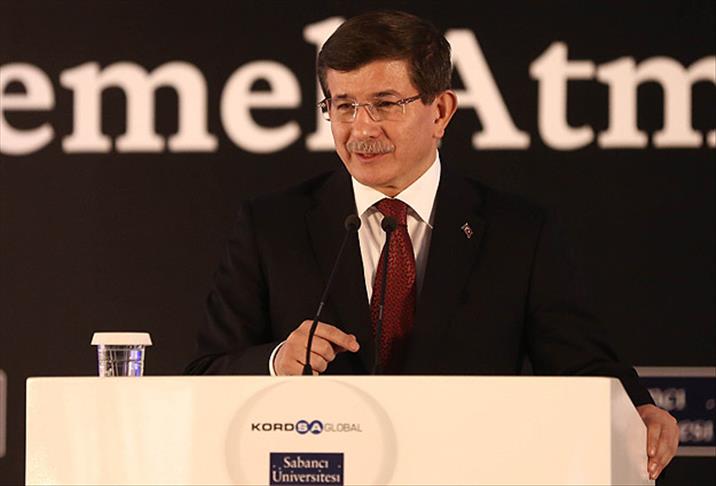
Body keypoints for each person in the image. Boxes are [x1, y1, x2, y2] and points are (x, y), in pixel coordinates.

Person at [186, 10, 678, 480]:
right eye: (343, 106)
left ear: (440, 111)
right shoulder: (271, 226)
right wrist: (277, 361)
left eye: (385, 103)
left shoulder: (518, 232)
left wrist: (639, 409)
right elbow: (205, 377)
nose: (361, 128)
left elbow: (582, 366)